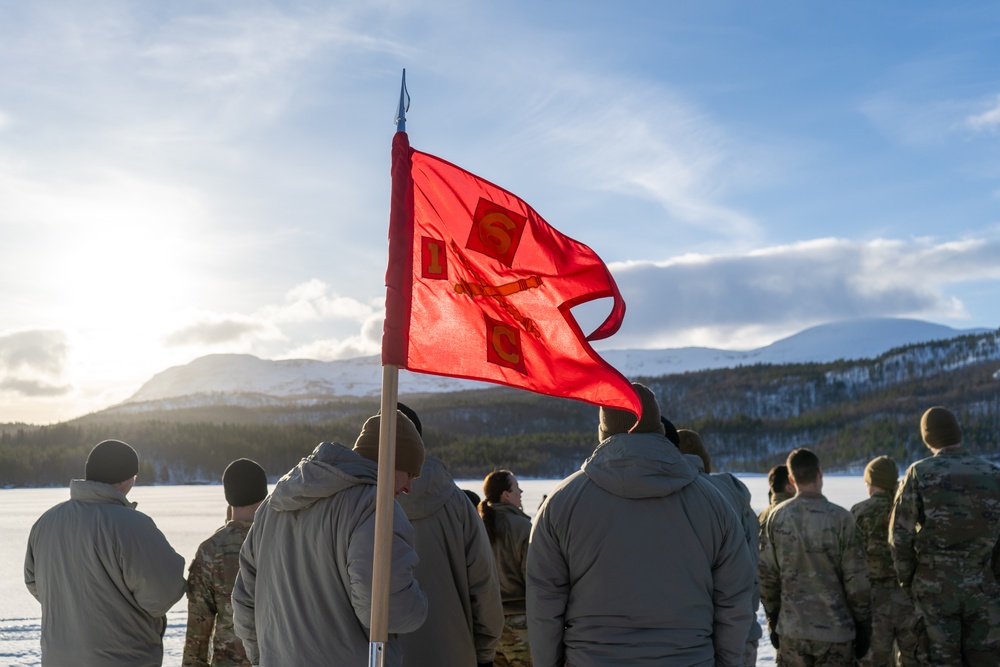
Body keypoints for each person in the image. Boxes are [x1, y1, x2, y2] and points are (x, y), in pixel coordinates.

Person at [526, 383, 754, 667]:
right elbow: (735, 600)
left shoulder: (561, 503)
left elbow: (543, 602)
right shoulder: (713, 502)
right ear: (658, 427)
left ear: (604, 433)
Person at [232, 411, 429, 666]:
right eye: (411, 474)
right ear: (391, 461)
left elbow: (244, 603)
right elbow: (387, 610)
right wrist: (421, 601)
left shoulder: (272, 506)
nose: (409, 488)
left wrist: (264, 658)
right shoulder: (375, 507)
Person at [24, 439, 186, 667]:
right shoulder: (132, 525)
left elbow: (34, 582)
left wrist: (72, 604)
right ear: (125, 479)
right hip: (123, 658)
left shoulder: (46, 522)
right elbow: (161, 595)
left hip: (57, 659)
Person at [394, 403, 505, 667]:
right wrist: (485, 655)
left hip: (379, 655)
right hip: (454, 653)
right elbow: (484, 586)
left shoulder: (355, 505)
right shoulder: (457, 504)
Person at [890, 406, 1000, 665]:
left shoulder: (919, 473)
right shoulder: (993, 474)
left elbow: (899, 536)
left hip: (934, 590)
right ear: (958, 433)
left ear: (928, 439)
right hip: (983, 588)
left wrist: (909, 581)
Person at [759, 447, 872, 666]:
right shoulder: (842, 519)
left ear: (791, 479)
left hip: (793, 632)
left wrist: (773, 617)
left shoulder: (776, 517)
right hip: (836, 632)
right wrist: (864, 623)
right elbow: (857, 582)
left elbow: (766, 576)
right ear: (820, 473)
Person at [677, 429, 762, 667]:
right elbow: (753, 563)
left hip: (691, 639)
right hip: (742, 631)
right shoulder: (736, 499)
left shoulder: (673, 497)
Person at [184, 458, 269, 667]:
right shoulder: (285, 542)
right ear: (265, 493)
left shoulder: (211, 551)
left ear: (228, 496)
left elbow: (198, 630)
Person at [850, 456, 920, 667]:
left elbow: (849, 558)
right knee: (912, 657)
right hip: (908, 596)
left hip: (873, 599)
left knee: (873, 659)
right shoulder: (909, 509)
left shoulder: (859, 511)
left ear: (871, 482)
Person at [480, 469, 534, 666]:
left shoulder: (478, 526)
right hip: (520, 624)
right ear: (506, 494)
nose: (520, 493)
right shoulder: (522, 527)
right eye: (517, 488)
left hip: (487, 624)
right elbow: (534, 578)